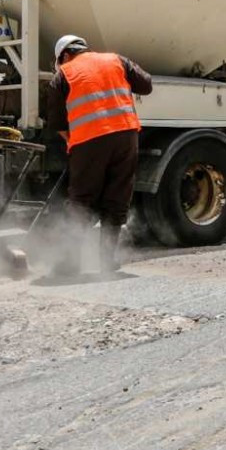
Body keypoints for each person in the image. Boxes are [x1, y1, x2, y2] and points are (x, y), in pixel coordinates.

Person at [45, 35, 152, 272]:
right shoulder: (116, 60)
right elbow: (147, 85)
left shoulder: (62, 75)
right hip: (126, 137)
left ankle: (72, 262)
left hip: (88, 143)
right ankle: (106, 260)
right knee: (117, 198)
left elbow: (56, 123)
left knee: (81, 199)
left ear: (64, 56)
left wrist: (73, 141)